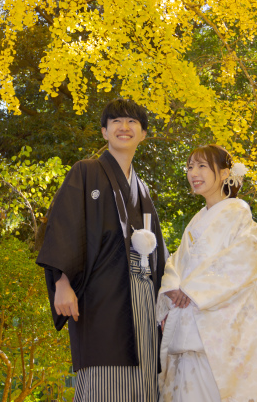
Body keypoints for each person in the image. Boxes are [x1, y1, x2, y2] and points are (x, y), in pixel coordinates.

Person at [36, 98, 169, 402]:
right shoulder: (85, 171)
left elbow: (159, 251)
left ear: (143, 134)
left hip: (144, 296)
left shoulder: (142, 188)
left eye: (132, 122)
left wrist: (166, 300)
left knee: (146, 379)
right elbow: (66, 224)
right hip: (101, 297)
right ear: (104, 132)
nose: (124, 127)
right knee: (104, 377)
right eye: (116, 121)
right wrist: (62, 282)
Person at [156, 145, 257, 402]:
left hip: (222, 334)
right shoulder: (197, 220)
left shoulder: (239, 215)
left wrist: (192, 289)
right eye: (190, 167)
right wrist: (173, 287)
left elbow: (248, 258)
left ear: (224, 174)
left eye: (202, 166)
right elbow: (176, 262)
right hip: (188, 327)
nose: (193, 173)